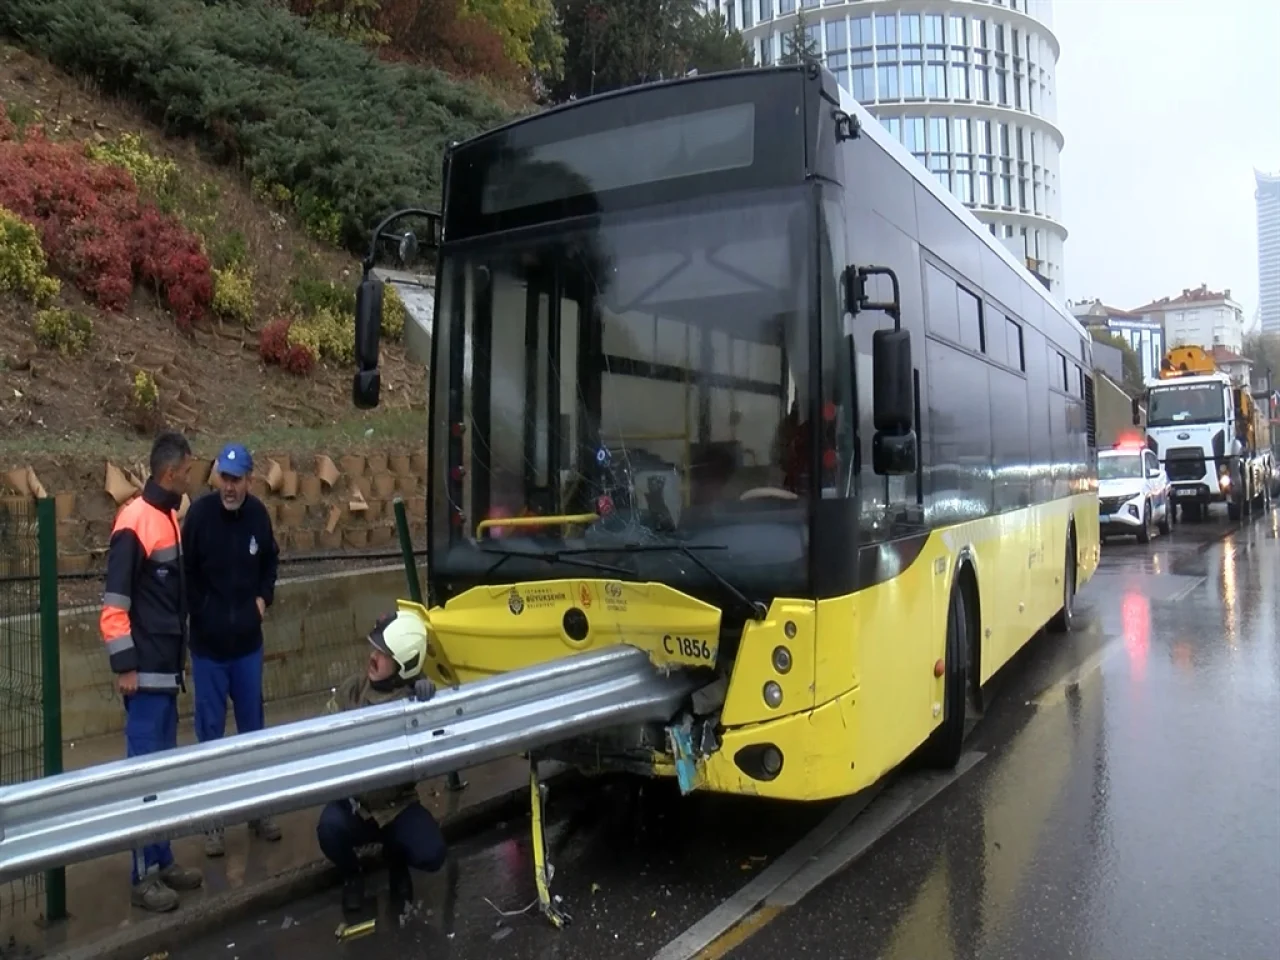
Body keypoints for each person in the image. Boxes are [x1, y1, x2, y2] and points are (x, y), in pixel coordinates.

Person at [100, 430, 205, 913]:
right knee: (145, 777)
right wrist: (125, 666)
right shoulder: (136, 521)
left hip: (163, 674)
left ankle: (161, 862)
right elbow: (114, 606)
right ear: (169, 473)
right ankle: (143, 875)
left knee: (161, 773)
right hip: (143, 678)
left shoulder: (167, 518)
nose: (190, 477)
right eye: (186, 470)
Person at [181, 442, 283, 856]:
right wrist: (200, 612)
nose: (230, 486)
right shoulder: (199, 518)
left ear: (249, 481)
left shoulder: (258, 515)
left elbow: (271, 562)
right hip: (208, 649)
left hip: (246, 647)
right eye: (224, 477)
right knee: (210, 734)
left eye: (237, 479)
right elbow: (185, 574)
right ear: (215, 477)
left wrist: (263, 600)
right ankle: (213, 820)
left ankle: (258, 809)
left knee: (252, 729)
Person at [316, 612, 446, 917]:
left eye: (383, 654)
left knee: (433, 853)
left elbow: (441, 737)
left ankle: (396, 861)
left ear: (404, 664)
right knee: (328, 830)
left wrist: (430, 701)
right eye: (374, 649)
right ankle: (352, 875)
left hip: (397, 806)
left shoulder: (416, 698)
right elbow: (321, 734)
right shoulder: (353, 689)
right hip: (355, 804)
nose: (372, 657)